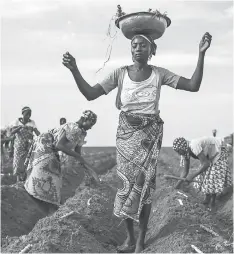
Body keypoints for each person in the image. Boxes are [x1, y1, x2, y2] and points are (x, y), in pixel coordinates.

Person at [62, 31, 212, 253]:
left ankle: (141, 239)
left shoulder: (159, 74)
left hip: (149, 137)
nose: (137, 48)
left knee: (144, 188)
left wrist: (201, 55)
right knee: (126, 187)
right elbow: (90, 94)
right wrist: (74, 70)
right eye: (134, 45)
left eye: (142, 45)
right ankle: (130, 239)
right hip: (126, 137)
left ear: (152, 50)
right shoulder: (120, 74)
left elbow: (193, 85)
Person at [24, 110, 99, 211]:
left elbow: (78, 152)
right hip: (45, 144)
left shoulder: (82, 133)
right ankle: (34, 192)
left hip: (53, 148)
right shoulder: (73, 127)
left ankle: (47, 200)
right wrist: (79, 157)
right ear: (85, 119)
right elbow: (59, 145)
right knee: (47, 168)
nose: (91, 127)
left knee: (55, 174)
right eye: (91, 123)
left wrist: (87, 167)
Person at [172, 135, 233, 209]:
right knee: (204, 174)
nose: (178, 153)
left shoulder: (194, 145)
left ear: (182, 147)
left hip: (218, 149)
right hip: (209, 154)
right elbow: (185, 172)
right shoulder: (184, 152)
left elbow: (206, 164)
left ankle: (213, 202)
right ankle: (207, 199)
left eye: (178, 151)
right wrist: (176, 187)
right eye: (177, 151)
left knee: (213, 175)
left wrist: (192, 175)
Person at [10, 107, 40, 182]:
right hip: (19, 146)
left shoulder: (32, 122)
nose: (28, 116)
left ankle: (25, 181)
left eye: (29, 115)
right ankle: (18, 182)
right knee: (18, 163)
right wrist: (20, 127)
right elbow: (12, 132)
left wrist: (42, 136)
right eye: (26, 114)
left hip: (28, 146)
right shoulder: (17, 121)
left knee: (27, 162)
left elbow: (37, 133)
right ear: (22, 114)